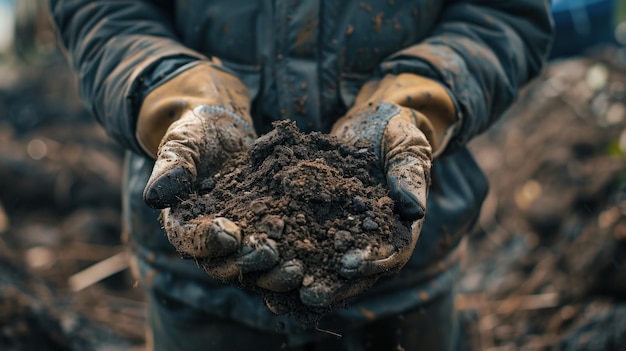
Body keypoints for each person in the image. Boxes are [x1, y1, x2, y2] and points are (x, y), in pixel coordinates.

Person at [49, 1, 553, 350]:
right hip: (198, 291)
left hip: (408, 279)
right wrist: (175, 93)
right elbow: (104, 9)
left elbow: (504, 13)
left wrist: (418, 100)